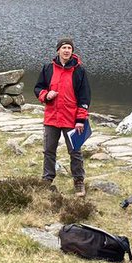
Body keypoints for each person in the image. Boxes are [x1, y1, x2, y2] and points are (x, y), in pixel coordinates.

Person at [34, 37, 91, 196]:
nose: (67, 51)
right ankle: (47, 179)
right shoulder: (48, 68)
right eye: (64, 48)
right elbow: (38, 88)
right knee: (49, 150)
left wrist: (80, 120)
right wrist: (46, 95)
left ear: (72, 52)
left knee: (75, 151)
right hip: (52, 117)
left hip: (71, 119)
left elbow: (85, 98)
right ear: (58, 50)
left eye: (69, 48)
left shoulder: (79, 71)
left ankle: (79, 181)